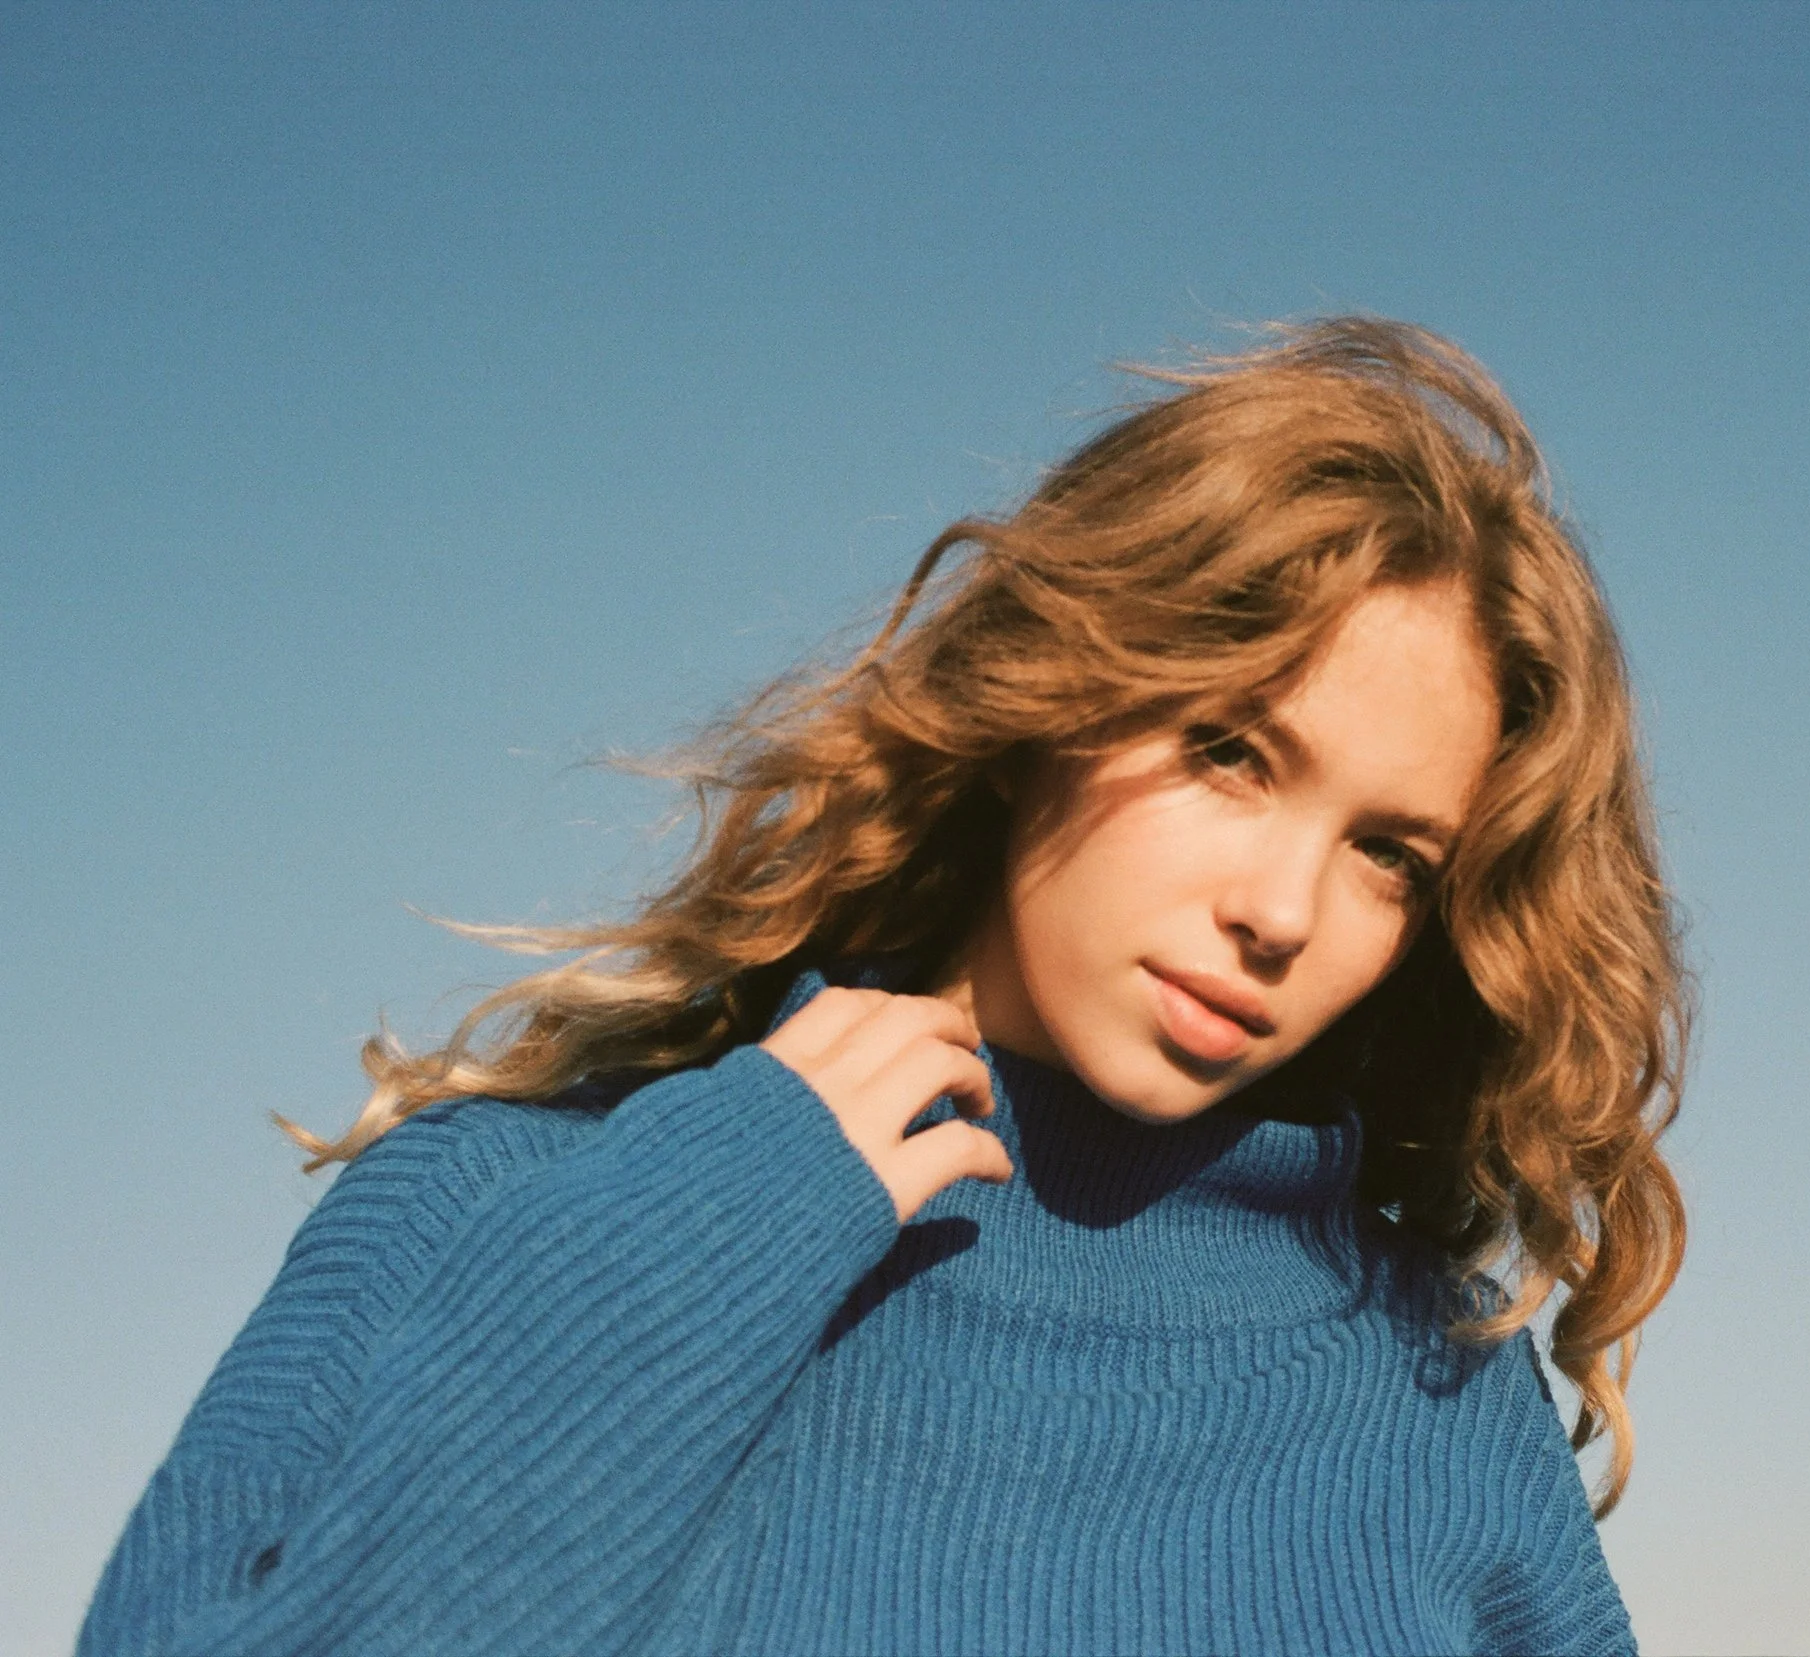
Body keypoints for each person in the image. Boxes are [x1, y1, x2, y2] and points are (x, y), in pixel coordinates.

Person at [78, 317, 1689, 1656]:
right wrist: (702, 1239)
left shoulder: (1430, 1391)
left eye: (1390, 854)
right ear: (1052, 700)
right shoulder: (504, 1200)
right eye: (1228, 749)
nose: (1284, 909)